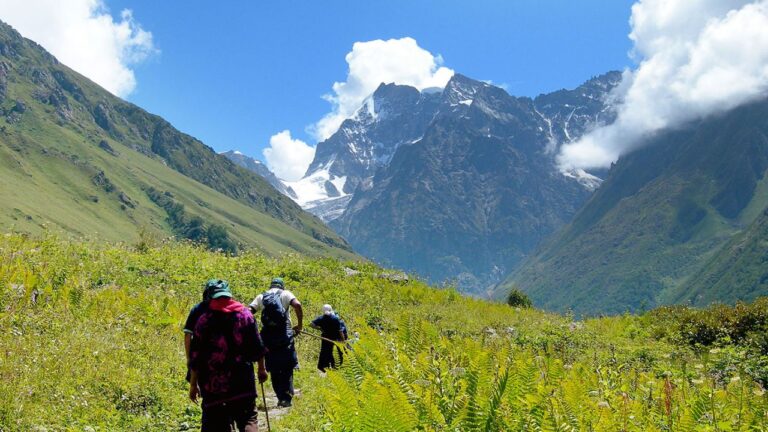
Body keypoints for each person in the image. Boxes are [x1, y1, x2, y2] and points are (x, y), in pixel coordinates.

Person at [188, 279, 268, 432]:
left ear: (211, 298)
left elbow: (196, 357)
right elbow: (257, 346)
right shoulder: (245, 315)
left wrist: (193, 384)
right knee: (247, 419)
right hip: (242, 382)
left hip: (213, 386)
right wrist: (261, 369)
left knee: (216, 424)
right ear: (229, 296)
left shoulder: (204, 321)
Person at [249, 277, 303, 408]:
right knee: (287, 366)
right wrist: (299, 325)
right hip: (285, 334)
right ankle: (286, 398)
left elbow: (249, 311)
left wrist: (250, 329)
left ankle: (280, 396)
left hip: (268, 336)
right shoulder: (286, 294)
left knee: (273, 366)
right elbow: (297, 305)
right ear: (282, 286)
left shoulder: (262, 296)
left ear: (271, 285)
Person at [183, 281, 216, 381]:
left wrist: (189, 357)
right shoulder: (226, 310)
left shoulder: (197, 309)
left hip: (200, 354)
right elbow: (188, 334)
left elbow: (187, 334)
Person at [309, 304, 347, 372]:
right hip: (334, 339)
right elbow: (340, 331)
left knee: (324, 352)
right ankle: (334, 367)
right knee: (335, 353)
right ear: (330, 309)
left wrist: (319, 328)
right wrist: (343, 340)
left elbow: (311, 324)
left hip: (325, 338)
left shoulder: (321, 318)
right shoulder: (335, 318)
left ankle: (322, 367)